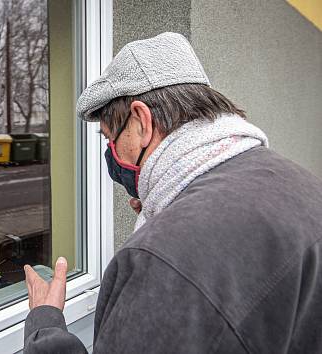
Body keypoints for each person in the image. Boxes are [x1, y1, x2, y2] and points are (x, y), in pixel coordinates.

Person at [23, 32, 322, 353]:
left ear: (141, 121)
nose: (111, 154)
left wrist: (45, 322)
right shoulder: (300, 185)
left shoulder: (165, 257)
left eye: (110, 138)